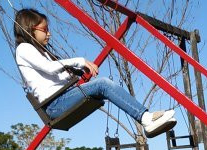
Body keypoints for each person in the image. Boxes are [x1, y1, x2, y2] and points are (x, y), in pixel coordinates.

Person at [14, 8, 177, 137]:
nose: (49, 33)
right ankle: (146, 118)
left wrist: (76, 71)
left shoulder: (42, 52)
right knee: (103, 84)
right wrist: (80, 61)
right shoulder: (23, 49)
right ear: (29, 29)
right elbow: (49, 68)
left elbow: (57, 75)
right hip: (55, 105)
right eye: (45, 29)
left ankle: (146, 118)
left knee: (102, 86)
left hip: (63, 98)